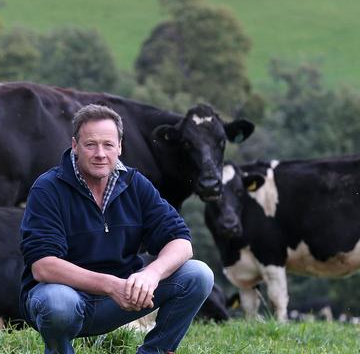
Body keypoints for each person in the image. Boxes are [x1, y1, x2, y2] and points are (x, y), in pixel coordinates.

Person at [19, 104, 214, 354]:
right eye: (91, 144)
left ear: (120, 146)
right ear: (75, 145)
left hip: (122, 299)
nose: (100, 153)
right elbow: (43, 266)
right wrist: (112, 285)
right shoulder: (48, 189)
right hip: (69, 300)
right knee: (57, 302)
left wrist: (150, 275)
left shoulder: (135, 184)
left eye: (108, 145)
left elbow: (181, 243)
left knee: (198, 274)